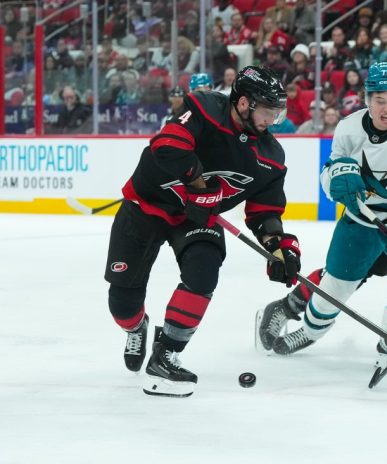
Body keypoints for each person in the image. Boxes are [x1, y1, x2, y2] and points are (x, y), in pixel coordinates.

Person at [104, 66, 301, 397]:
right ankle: (136, 327)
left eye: (277, 112)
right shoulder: (205, 108)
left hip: (196, 219)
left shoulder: (271, 158)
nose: (272, 120)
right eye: (268, 111)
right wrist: (198, 185)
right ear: (243, 104)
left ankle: (166, 354)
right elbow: (167, 145)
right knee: (122, 302)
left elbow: (265, 211)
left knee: (204, 272)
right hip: (146, 207)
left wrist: (278, 245)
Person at [256, 62, 387, 374]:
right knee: (336, 288)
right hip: (361, 219)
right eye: (379, 100)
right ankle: (310, 332)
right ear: (367, 99)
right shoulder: (348, 127)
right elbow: (329, 173)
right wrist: (335, 181)